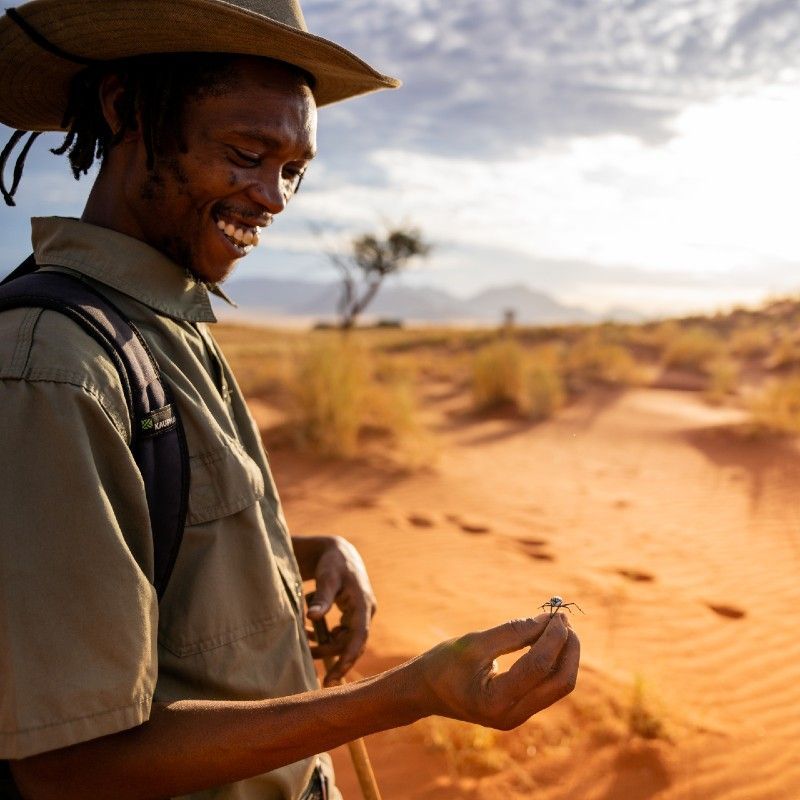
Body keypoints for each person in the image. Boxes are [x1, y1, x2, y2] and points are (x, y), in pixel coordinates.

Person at [0, 2, 581, 798]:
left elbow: (147, 545)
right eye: (246, 152)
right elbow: (69, 763)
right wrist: (405, 696)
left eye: (292, 170)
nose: (271, 197)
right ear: (125, 107)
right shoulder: (52, 367)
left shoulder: (163, 317)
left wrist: (302, 552)